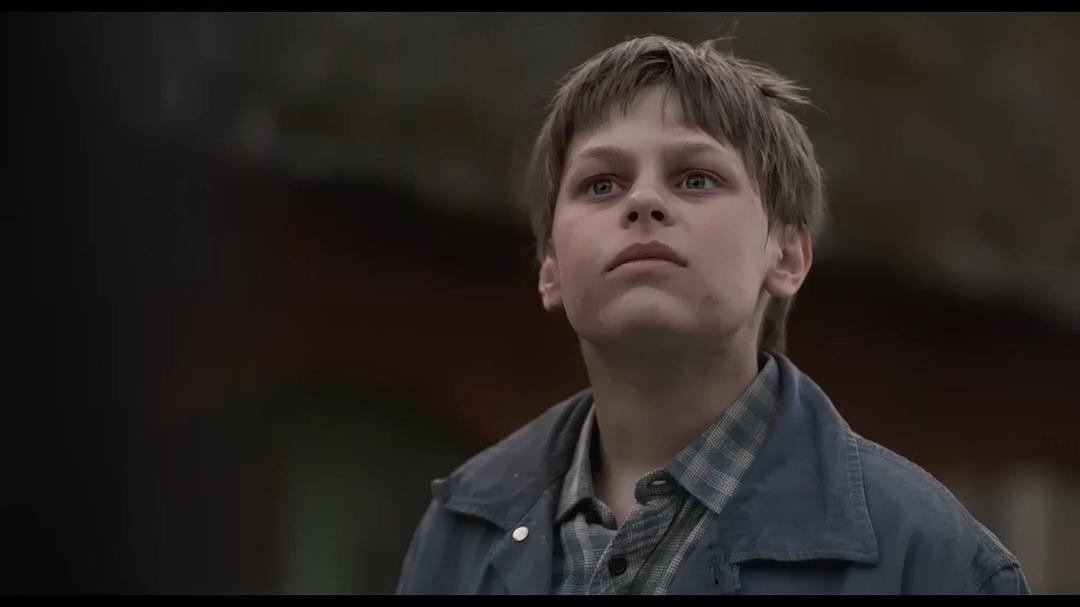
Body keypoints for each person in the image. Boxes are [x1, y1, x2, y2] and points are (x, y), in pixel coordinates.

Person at [395, 34, 1029, 595]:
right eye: (601, 184)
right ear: (551, 268)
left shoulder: (934, 563)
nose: (643, 200)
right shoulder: (460, 530)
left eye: (695, 178)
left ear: (787, 256)